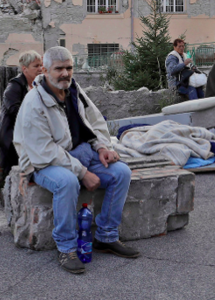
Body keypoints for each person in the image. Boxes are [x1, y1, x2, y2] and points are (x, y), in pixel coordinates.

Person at [13, 46, 139, 275]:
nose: (65, 73)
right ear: (46, 70)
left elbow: (95, 120)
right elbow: (44, 150)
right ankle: (66, 247)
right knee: (67, 182)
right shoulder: (34, 102)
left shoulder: (74, 89)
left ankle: (106, 236)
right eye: (59, 68)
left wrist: (102, 147)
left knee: (121, 172)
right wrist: (82, 172)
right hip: (41, 162)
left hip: (76, 153)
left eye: (69, 68)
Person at [0, 50, 43, 175]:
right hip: (12, 131)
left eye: (41, 65)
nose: (40, 69)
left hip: (32, 128)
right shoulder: (15, 85)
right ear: (24, 69)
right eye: (36, 66)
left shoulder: (40, 84)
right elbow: (13, 109)